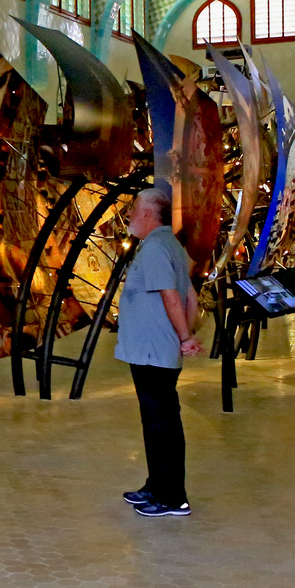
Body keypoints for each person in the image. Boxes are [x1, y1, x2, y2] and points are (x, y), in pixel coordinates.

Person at [115, 188, 203, 518]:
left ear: (150, 214)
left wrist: (183, 337)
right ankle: (156, 486)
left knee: (161, 422)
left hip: (153, 351)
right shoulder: (171, 245)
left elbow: (170, 297)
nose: (130, 215)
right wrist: (185, 335)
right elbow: (191, 299)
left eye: (134, 209)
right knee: (156, 420)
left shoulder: (154, 248)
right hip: (153, 350)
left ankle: (172, 497)